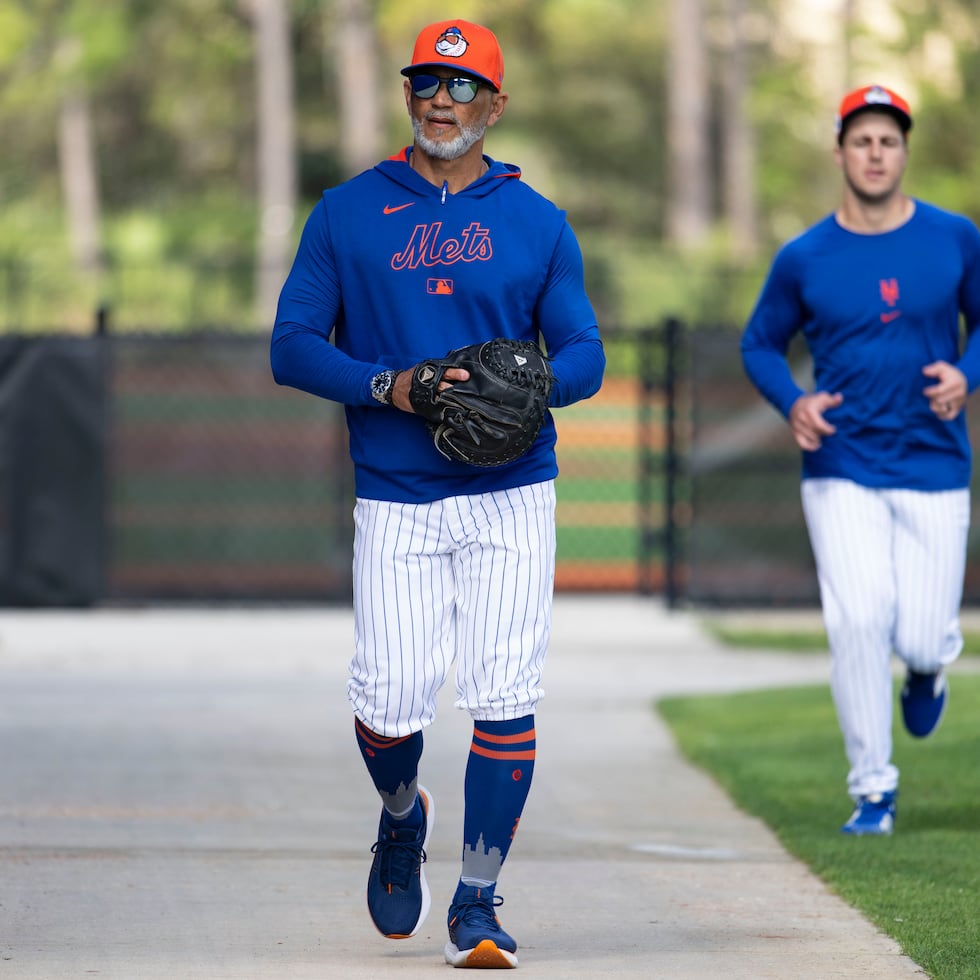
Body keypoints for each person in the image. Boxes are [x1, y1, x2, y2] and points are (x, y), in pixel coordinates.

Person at [270, 18, 604, 968]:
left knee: (504, 695)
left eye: (463, 88)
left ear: (496, 106)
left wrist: (539, 385)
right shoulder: (346, 209)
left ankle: (478, 901)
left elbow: (585, 349)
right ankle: (401, 815)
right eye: (428, 83)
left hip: (511, 493)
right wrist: (392, 386)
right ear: (410, 96)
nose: (442, 101)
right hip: (396, 491)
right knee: (388, 703)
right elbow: (292, 346)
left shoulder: (537, 219)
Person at [741, 84, 980, 836]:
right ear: (841, 152)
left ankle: (929, 661)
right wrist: (794, 403)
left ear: (904, 153)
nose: (876, 153)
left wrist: (966, 374)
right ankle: (873, 789)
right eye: (862, 140)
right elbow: (760, 344)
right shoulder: (804, 256)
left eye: (889, 141)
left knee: (915, 633)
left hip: (935, 463)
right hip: (841, 464)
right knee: (858, 621)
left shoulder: (954, 238)